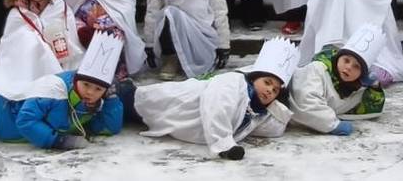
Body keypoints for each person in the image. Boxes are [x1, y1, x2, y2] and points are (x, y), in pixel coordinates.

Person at [128, 37, 298, 161]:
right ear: (254, 78)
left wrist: (277, 109)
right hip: (165, 101)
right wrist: (225, 146)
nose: (269, 90)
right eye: (267, 82)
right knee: (128, 104)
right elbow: (217, 109)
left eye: (275, 90)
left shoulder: (257, 111)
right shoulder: (232, 83)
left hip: (174, 119)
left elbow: (272, 130)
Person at [290, 24, 387, 134]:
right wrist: (333, 125)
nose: (349, 67)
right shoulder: (317, 69)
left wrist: (374, 87)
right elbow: (307, 102)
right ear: (337, 59)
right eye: (346, 60)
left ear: (362, 74)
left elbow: (371, 110)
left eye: (357, 67)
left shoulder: (351, 88)